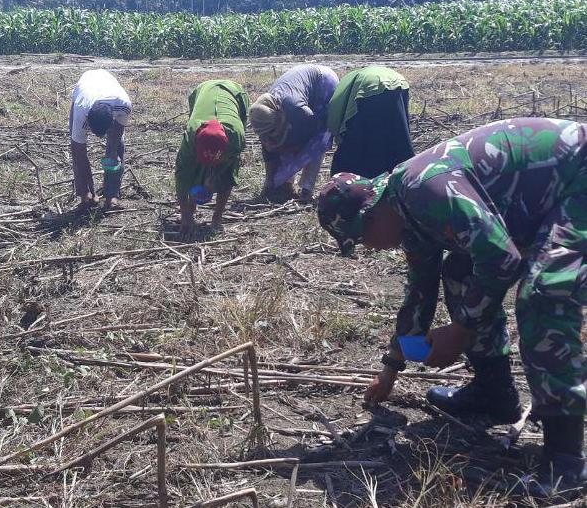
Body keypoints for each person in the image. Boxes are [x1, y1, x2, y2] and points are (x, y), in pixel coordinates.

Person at [317, 118, 587, 497]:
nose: (368, 248)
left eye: (361, 239)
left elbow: (501, 259)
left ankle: (567, 461)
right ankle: (495, 393)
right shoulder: (406, 218)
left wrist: (461, 330)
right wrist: (392, 367)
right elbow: (420, 293)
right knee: (459, 269)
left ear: (371, 214)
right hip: (541, 200)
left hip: (576, 176)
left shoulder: (423, 190)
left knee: (544, 294)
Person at [250, 65, 339, 203]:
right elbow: (269, 151)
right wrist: (269, 182)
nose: (267, 137)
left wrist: (290, 148)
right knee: (282, 140)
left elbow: (314, 133)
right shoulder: (264, 115)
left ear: (279, 118)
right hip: (299, 91)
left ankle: (306, 189)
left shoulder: (297, 110)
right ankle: (287, 184)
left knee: (317, 143)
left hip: (324, 83)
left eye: (271, 131)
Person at [175, 80, 250, 238]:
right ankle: (191, 207)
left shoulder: (236, 138)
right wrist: (185, 215)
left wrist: (212, 179)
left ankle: (217, 217)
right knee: (193, 170)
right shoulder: (190, 138)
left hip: (234, 92)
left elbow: (229, 172)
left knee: (226, 175)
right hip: (203, 89)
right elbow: (182, 176)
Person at [327, 66, 415, 178]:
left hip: (370, 88)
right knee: (399, 135)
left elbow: (335, 122)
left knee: (359, 143)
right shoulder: (345, 83)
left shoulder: (335, 100)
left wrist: (339, 137)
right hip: (399, 82)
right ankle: (406, 178)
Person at [68, 69, 133, 211]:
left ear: (111, 122)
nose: (98, 138)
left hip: (107, 81)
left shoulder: (124, 106)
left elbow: (117, 135)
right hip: (86, 85)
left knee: (117, 146)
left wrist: (112, 153)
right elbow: (80, 153)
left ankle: (111, 196)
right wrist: (89, 190)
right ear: (88, 122)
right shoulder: (82, 111)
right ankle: (86, 194)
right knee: (76, 150)